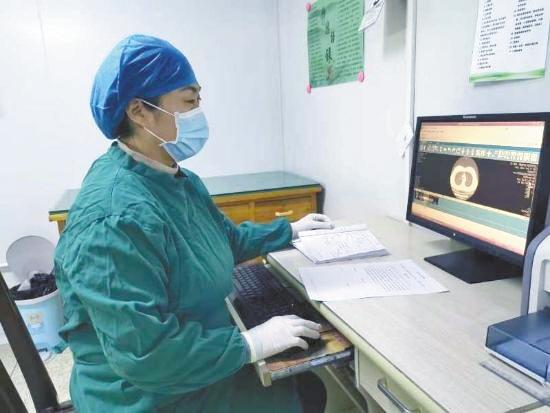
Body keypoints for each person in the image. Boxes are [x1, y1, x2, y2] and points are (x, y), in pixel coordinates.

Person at [54, 34, 334, 413]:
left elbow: (223, 240)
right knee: (306, 392)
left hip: (185, 360)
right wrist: (251, 344)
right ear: (139, 111)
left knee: (305, 381)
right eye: (188, 101)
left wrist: (291, 230)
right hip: (146, 394)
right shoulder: (113, 218)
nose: (198, 112)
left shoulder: (174, 179)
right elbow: (145, 354)